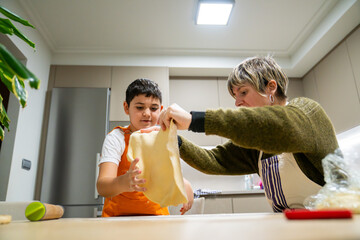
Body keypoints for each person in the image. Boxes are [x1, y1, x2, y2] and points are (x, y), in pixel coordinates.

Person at [158, 56, 339, 212]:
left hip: (336, 226)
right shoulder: (256, 144)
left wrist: (194, 120)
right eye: (235, 96)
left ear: (271, 87)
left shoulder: (307, 113)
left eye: (243, 92)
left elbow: (279, 127)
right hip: (288, 229)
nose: (237, 103)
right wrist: (174, 139)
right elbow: (215, 159)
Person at [97, 78, 194, 216]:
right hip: (117, 220)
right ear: (126, 107)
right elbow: (102, 186)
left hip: (157, 219)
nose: (147, 113)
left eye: (153, 108)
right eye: (140, 107)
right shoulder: (116, 138)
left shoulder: (163, 137)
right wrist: (123, 182)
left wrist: (184, 183)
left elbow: (165, 174)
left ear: (160, 110)